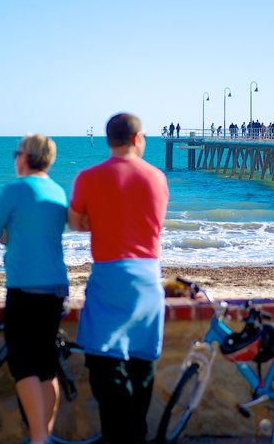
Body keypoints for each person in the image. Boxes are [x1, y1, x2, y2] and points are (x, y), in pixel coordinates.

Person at [68, 113, 168, 444]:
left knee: (105, 365)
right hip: (147, 277)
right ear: (138, 138)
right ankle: (135, 435)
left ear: (109, 140)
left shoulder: (88, 177)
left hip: (110, 276)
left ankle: (117, 436)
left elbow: (78, 222)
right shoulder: (157, 178)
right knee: (142, 366)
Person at [0, 134, 68, 444]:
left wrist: (7, 234)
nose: (14, 158)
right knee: (46, 366)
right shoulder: (58, 191)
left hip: (25, 289)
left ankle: (39, 437)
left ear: (26, 157)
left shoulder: (15, 189)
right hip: (56, 287)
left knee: (22, 364)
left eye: (16, 153)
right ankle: (42, 435)